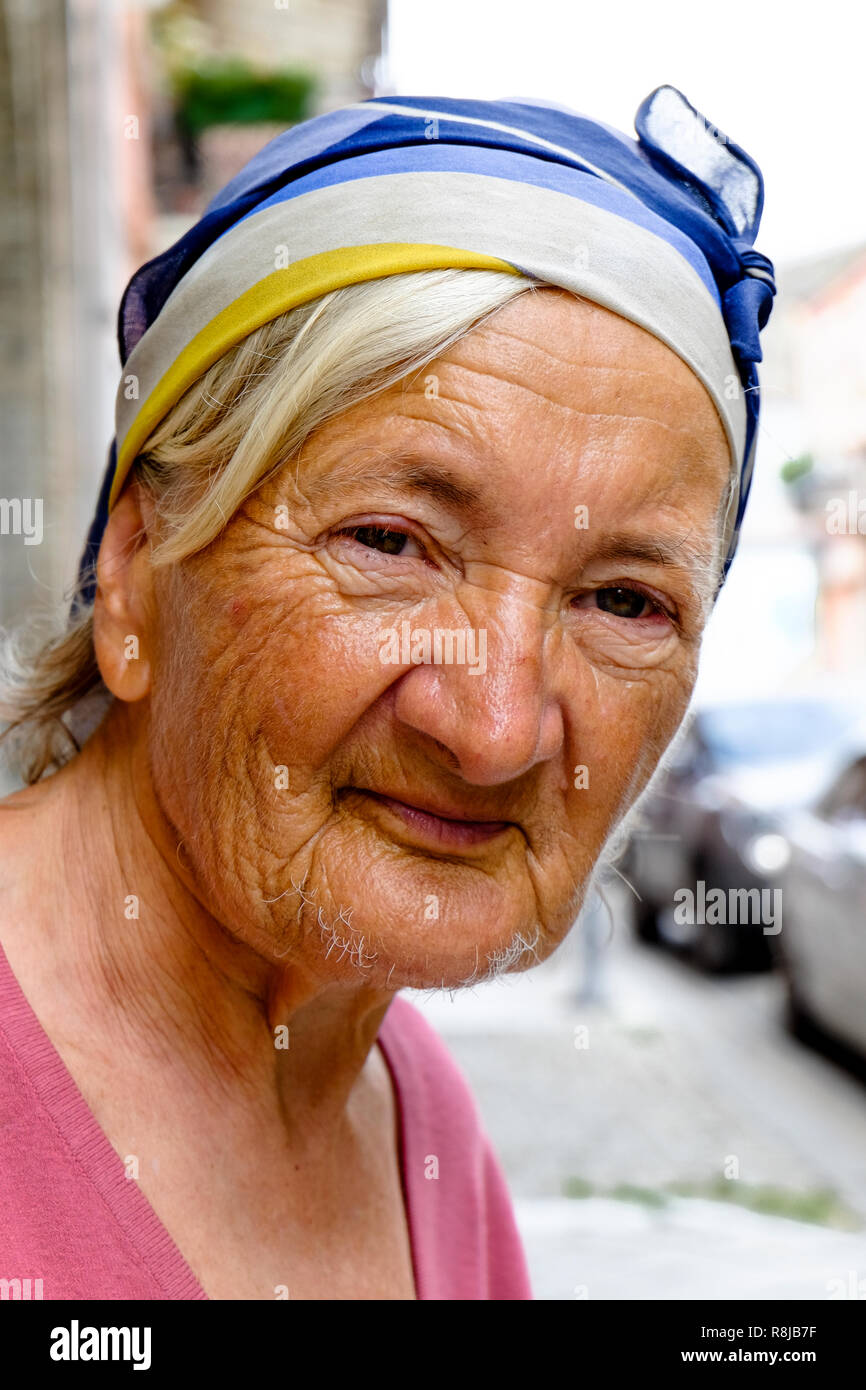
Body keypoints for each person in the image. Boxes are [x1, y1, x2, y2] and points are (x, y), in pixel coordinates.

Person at [0, 86, 774, 1300]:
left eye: (622, 601)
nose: (493, 729)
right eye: (389, 542)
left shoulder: (419, 1123)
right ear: (136, 566)